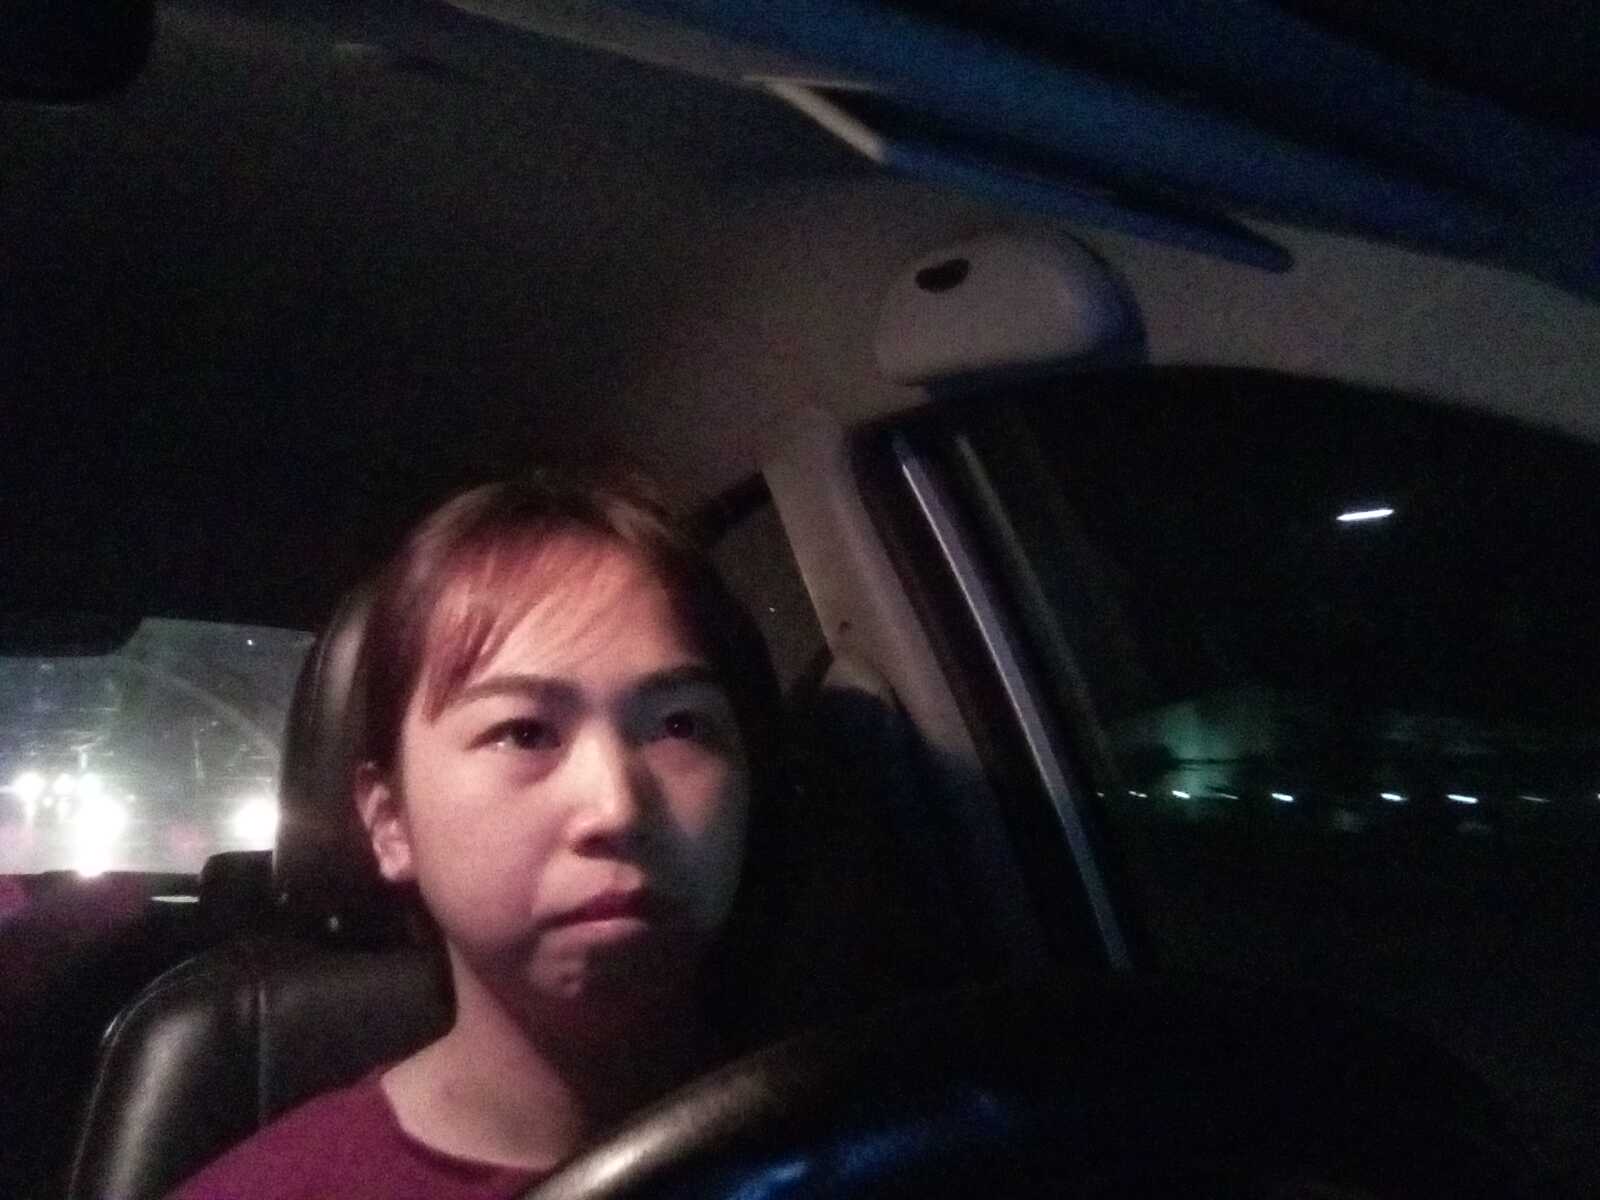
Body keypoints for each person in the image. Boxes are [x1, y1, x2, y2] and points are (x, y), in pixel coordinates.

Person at [171, 469, 784, 1199]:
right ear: (390, 822)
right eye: (524, 733)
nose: (617, 808)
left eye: (680, 725)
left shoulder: (876, 1132)